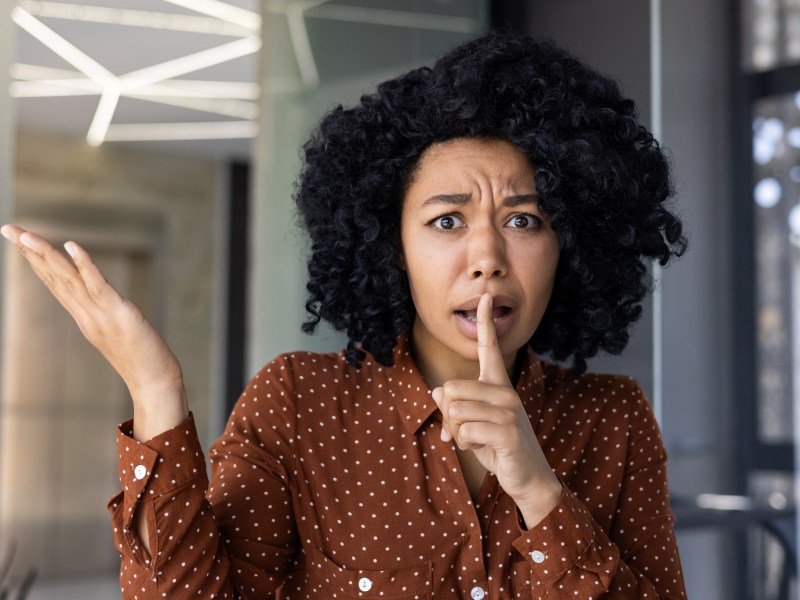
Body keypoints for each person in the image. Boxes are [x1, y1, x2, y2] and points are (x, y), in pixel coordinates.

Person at [1, 30, 687, 599]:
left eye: (525, 219)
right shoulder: (299, 405)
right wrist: (155, 390)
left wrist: (539, 490)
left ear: (568, 243)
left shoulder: (613, 422)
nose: (487, 257)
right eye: (447, 220)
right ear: (392, 247)